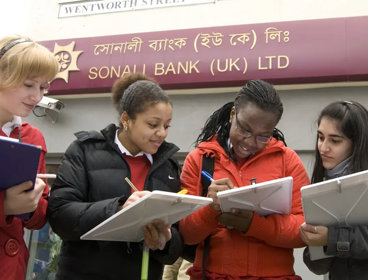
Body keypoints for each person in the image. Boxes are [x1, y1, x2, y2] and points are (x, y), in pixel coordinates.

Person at [47, 72, 184, 280]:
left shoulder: (168, 166)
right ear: (127, 119)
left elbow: (175, 244)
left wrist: (166, 240)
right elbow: (60, 214)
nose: (162, 134)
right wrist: (118, 209)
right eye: (153, 125)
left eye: (166, 126)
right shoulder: (84, 151)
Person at [179, 80, 310, 280]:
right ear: (233, 115)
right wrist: (210, 209)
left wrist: (254, 224)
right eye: (244, 129)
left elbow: (305, 229)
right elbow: (186, 234)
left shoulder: (287, 161)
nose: (249, 142)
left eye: (262, 136)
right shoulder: (200, 159)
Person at [0, 35, 59, 280]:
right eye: (28, 84)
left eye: (43, 87)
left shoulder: (33, 136)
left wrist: (33, 203)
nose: (37, 96)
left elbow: (37, 220)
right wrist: (5, 207)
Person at [300, 101, 368, 279]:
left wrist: (332, 238)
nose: (323, 148)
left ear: (358, 143)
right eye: (321, 137)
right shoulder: (323, 183)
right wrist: (314, 242)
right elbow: (318, 267)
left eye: (335, 141)